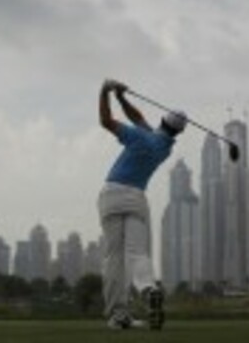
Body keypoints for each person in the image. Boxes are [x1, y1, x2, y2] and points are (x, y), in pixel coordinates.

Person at [97, 78, 187, 330]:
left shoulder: (139, 136)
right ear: (178, 132)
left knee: (114, 257)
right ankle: (148, 289)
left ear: (162, 121)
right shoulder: (164, 147)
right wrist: (121, 98)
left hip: (112, 194)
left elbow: (106, 121)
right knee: (137, 253)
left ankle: (118, 315)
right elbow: (137, 118)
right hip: (137, 197)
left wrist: (104, 91)